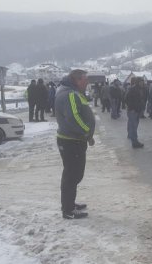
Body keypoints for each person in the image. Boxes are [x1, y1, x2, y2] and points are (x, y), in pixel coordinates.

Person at [55, 69, 95, 219]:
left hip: (73, 140)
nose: (87, 83)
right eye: (85, 80)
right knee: (72, 175)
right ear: (77, 80)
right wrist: (87, 131)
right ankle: (68, 210)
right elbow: (74, 118)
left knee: (74, 175)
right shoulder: (70, 94)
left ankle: (70, 204)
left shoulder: (69, 92)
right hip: (71, 141)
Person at [125, 78, 145, 148]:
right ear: (138, 82)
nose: (142, 83)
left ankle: (134, 139)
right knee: (133, 126)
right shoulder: (133, 89)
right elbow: (127, 99)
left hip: (137, 110)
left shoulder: (139, 89)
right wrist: (132, 108)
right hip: (133, 111)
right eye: (141, 82)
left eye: (143, 82)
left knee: (134, 126)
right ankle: (134, 142)